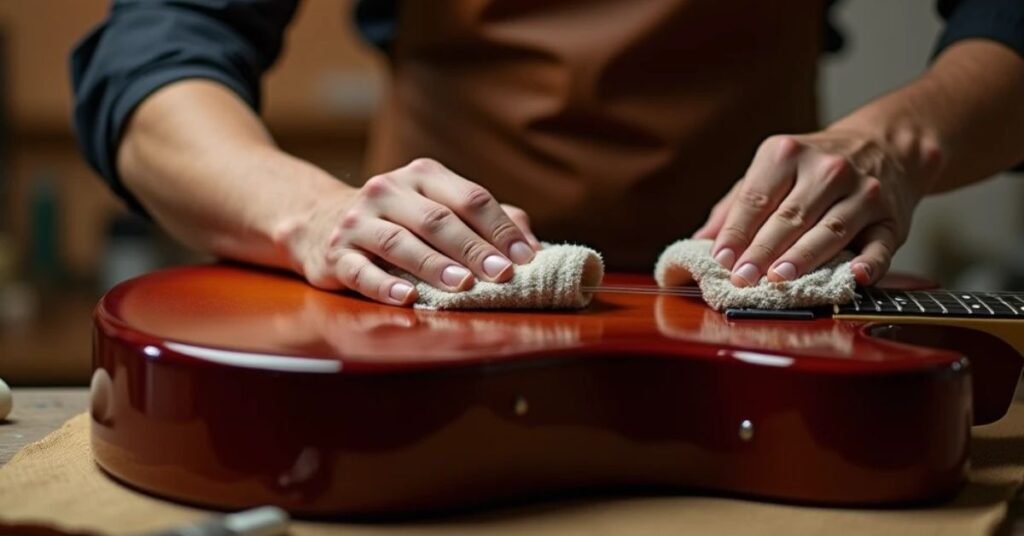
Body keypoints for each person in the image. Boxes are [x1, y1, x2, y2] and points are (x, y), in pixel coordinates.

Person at [71, 0, 1024, 307]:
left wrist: (894, 142)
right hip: (423, 333)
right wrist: (312, 214)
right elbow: (153, 51)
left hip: (774, 326)